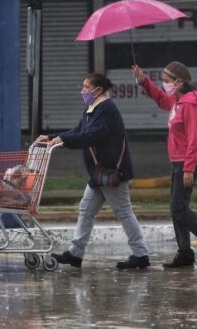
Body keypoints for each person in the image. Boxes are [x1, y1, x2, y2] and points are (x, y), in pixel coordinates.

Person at [36, 73, 150, 269]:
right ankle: (75, 253)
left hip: (112, 172)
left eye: (86, 87)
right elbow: (78, 131)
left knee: (123, 212)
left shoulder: (106, 109)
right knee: (86, 210)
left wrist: (64, 141)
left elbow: (91, 135)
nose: (83, 91)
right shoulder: (93, 109)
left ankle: (140, 255)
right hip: (99, 173)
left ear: (98, 90)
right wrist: (53, 137)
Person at [132, 62, 197, 268]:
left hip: (188, 161)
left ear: (178, 82)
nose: (165, 84)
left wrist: (188, 168)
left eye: (167, 81)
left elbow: (194, 138)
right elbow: (160, 98)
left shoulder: (190, 103)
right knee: (177, 208)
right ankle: (185, 253)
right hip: (178, 160)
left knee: (179, 209)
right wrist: (143, 80)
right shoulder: (178, 101)